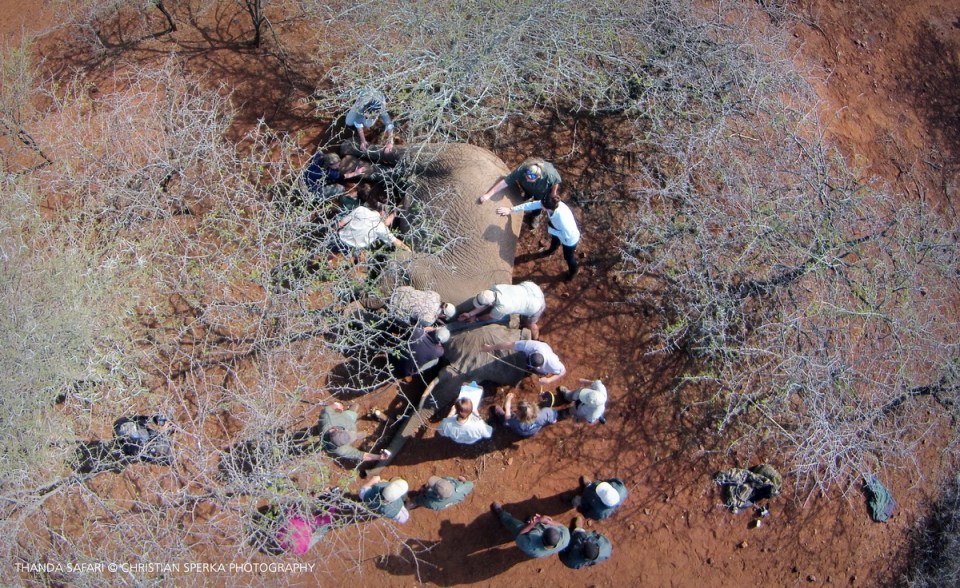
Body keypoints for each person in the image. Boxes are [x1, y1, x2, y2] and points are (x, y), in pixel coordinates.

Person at [497, 193, 581, 280]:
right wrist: (511, 210)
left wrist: (551, 230)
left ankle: (573, 272)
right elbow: (531, 205)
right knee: (555, 241)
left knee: (568, 257)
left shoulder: (562, 219)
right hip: (557, 228)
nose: (540, 205)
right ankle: (551, 250)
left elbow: (567, 234)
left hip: (569, 239)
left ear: (547, 208)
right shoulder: (550, 204)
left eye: (542, 205)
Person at [457, 282, 546, 339]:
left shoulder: (502, 307)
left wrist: (476, 319)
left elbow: (488, 317)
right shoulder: (496, 288)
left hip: (536, 305)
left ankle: (535, 339)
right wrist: (469, 314)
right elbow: (486, 304)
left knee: (530, 324)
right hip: (531, 287)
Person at [320, 402, 390, 465]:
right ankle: (365, 433)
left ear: (335, 429)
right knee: (359, 434)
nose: (350, 431)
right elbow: (361, 455)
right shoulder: (341, 450)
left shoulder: (327, 417)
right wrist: (379, 457)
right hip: (348, 420)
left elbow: (327, 409)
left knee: (356, 405)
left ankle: (363, 432)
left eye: (349, 433)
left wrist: (336, 405)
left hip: (347, 417)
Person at [490, 502, 570, 558]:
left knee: (515, 526)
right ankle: (529, 522)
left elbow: (520, 535)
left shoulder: (531, 546)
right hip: (542, 543)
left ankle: (501, 514)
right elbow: (561, 526)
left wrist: (534, 523)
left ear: (542, 537)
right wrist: (547, 521)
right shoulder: (566, 538)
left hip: (526, 534)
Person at [477, 157, 561, 205]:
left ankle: (535, 215)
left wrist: (553, 193)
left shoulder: (549, 175)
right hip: (527, 188)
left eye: (530, 179)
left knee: (539, 203)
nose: (527, 179)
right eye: (526, 176)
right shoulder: (522, 169)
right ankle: (526, 197)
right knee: (526, 195)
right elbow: (505, 182)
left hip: (541, 192)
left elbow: (556, 182)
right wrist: (488, 195)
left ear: (538, 177)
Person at [481, 339, 566, 386]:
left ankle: (534, 371)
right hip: (540, 347)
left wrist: (549, 380)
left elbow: (563, 371)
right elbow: (509, 344)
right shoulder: (530, 346)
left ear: (540, 366)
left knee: (539, 372)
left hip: (544, 365)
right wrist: (490, 348)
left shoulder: (554, 364)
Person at [336, 199, 409, 251]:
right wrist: (408, 250)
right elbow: (395, 241)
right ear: (382, 213)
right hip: (353, 248)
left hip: (339, 237)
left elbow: (340, 223)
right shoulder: (380, 227)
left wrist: (331, 231)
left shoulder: (361, 210)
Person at [492, 392, 557, 438]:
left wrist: (508, 401)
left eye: (517, 411)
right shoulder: (545, 413)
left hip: (521, 432)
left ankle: (498, 414)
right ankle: (531, 434)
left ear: (519, 416)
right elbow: (554, 420)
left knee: (500, 414)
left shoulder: (516, 422)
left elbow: (507, 418)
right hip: (533, 431)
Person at [389, 285, 456, 327]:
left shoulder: (436, 295)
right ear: (444, 315)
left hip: (401, 290)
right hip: (395, 307)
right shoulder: (429, 320)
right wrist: (435, 319)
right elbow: (415, 325)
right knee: (407, 323)